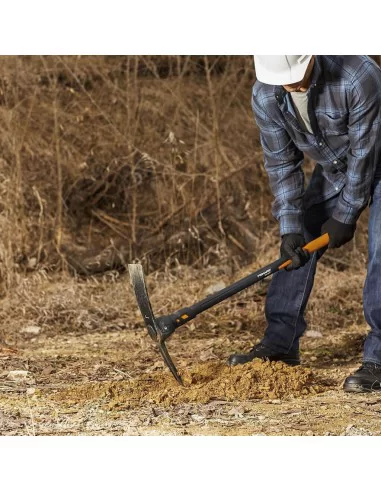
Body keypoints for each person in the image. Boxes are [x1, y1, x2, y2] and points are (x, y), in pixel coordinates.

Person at [227, 55, 381, 393]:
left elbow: (365, 153)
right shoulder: (265, 94)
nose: (294, 83)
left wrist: (345, 215)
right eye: (285, 78)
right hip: (338, 171)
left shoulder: (358, 75)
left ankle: (379, 356)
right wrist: (289, 226)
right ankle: (280, 345)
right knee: (297, 247)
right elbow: (282, 163)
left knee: (380, 253)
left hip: (372, 156)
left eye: (298, 74)